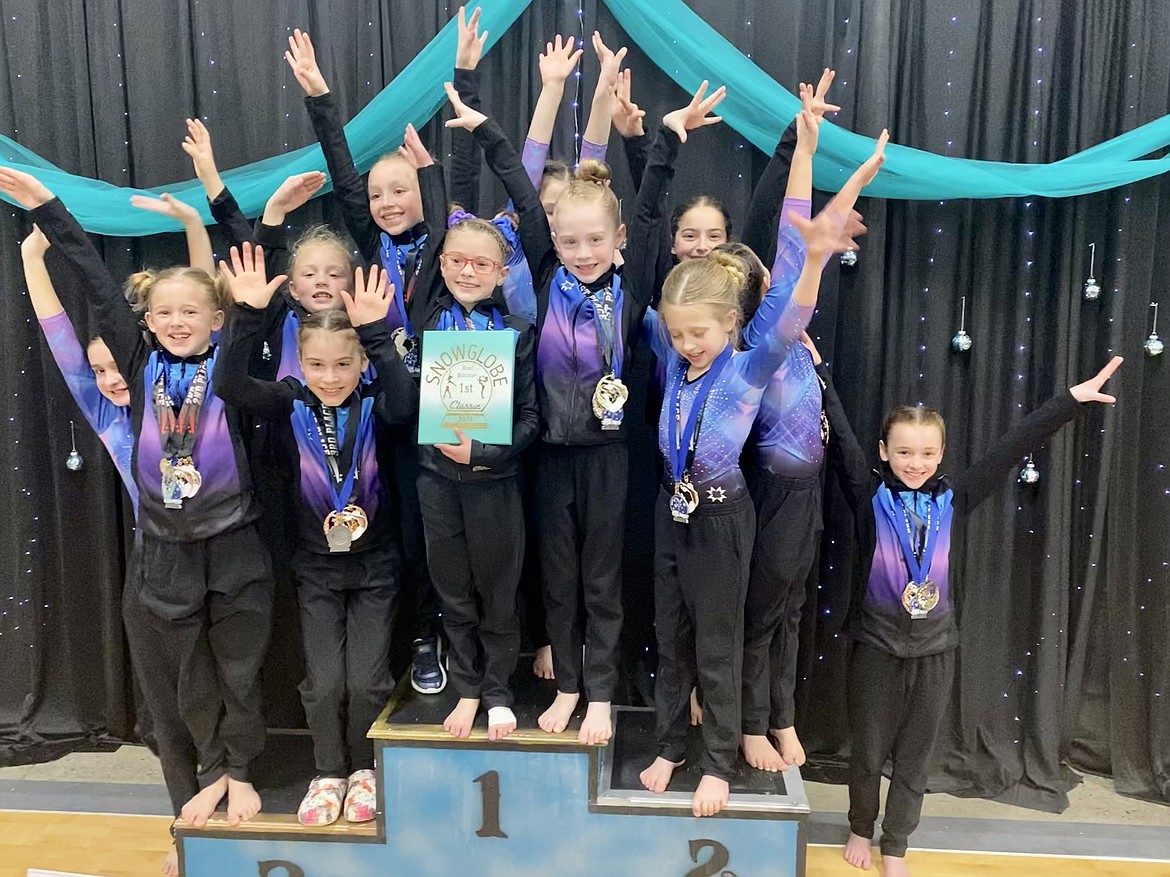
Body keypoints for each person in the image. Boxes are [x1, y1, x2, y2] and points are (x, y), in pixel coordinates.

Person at [1, 168, 275, 875]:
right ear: (144, 325)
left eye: (193, 311)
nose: (177, 322)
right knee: (186, 680)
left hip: (235, 542)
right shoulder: (132, 365)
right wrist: (49, 213)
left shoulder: (229, 364)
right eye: (164, 314)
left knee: (239, 670)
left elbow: (236, 306)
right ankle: (209, 771)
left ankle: (237, 768)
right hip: (164, 553)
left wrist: (227, 270)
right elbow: (94, 284)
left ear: (215, 318)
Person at [444, 75, 720, 744]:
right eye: (571, 243)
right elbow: (520, 190)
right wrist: (486, 132)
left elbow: (653, 209)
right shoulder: (540, 273)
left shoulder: (633, 282)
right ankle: (566, 682)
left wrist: (668, 139)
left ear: (617, 236)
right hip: (547, 455)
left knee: (602, 579)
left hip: (609, 458)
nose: (583, 253)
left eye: (595, 240)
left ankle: (599, 690)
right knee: (558, 579)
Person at [635, 118, 884, 817]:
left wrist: (811, 258)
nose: (688, 345)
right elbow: (652, 276)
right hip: (671, 508)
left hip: (723, 515)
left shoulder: (749, 365)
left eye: (700, 333)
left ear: (730, 322)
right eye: (678, 334)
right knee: (671, 633)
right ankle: (669, 743)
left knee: (718, 643)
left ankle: (717, 758)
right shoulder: (673, 351)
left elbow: (792, 296)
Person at [814, 329, 1124, 876]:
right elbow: (839, 436)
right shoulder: (871, 496)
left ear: (942, 453)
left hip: (936, 649)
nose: (915, 462)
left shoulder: (954, 500)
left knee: (916, 757)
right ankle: (861, 826)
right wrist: (815, 370)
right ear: (885, 451)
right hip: (876, 647)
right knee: (867, 750)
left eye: (927, 453)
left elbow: (1011, 449)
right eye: (904, 452)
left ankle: (896, 844)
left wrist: (1068, 402)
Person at [217, 245, 416, 826]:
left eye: (343, 365)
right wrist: (248, 315)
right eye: (318, 366)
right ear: (300, 364)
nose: (330, 378)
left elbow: (407, 405)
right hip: (316, 568)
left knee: (369, 680)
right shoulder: (288, 401)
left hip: (377, 567)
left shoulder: (378, 401)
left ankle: (364, 772)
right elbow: (231, 385)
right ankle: (328, 771)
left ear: (361, 365)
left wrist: (377, 333)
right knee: (324, 684)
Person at [285, 27, 450, 694]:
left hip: (439, 409)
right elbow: (348, 185)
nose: (385, 202)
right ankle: (412, 636)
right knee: (396, 539)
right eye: (379, 195)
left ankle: (438, 633)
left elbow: (439, 207)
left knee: (434, 536)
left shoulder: (442, 252)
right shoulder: (370, 251)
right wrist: (322, 100)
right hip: (379, 410)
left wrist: (435, 176)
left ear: (421, 195)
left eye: (400, 190)